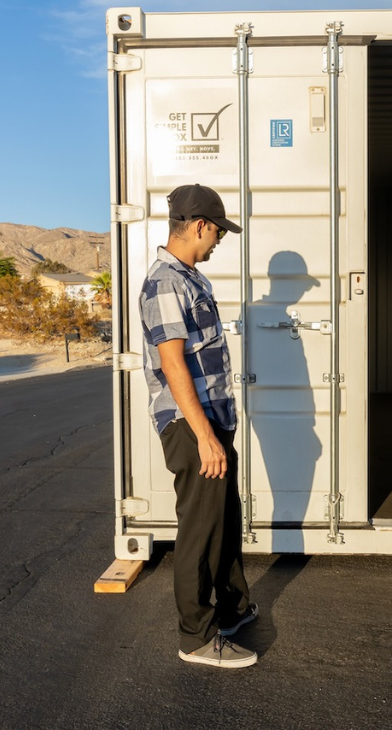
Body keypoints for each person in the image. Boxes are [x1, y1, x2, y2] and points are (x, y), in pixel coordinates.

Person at [139, 183, 258, 668]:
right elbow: (173, 365)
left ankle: (230, 609)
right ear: (199, 226)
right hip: (191, 424)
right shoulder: (166, 282)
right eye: (217, 235)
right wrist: (205, 436)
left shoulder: (190, 278)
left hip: (211, 418)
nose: (218, 243)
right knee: (200, 529)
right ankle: (196, 637)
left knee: (224, 521)